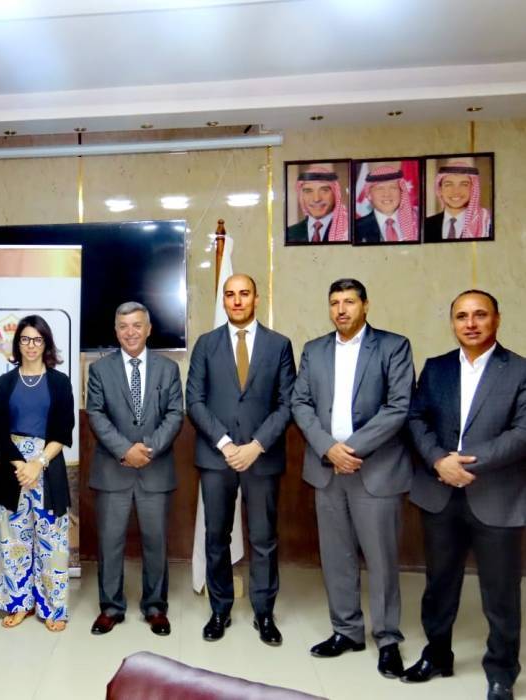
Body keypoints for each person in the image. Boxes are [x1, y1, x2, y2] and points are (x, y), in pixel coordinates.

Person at [402, 290, 525, 700]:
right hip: (440, 493)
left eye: (480, 315)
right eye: (461, 316)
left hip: (497, 497)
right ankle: (437, 654)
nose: (470, 323)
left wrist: (466, 463)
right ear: (452, 322)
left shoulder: (520, 370)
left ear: (497, 319)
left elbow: (522, 432)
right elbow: (416, 418)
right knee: (439, 584)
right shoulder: (436, 368)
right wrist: (439, 461)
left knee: (500, 592)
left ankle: (501, 673)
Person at [291, 278, 414, 679]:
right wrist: (329, 448)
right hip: (327, 469)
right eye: (334, 303)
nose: (341, 309)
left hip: (374, 470)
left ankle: (388, 638)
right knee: (336, 557)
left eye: (349, 302)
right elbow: (300, 402)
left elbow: (398, 407)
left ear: (365, 305)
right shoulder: (314, 350)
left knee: (381, 560)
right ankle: (346, 631)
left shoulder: (393, 347)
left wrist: (351, 450)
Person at [186, 274, 295, 645]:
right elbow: (194, 401)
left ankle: (264, 613)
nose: (236, 301)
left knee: (263, 538)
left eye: (244, 294)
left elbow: (287, 403)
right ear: (224, 300)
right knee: (216, 536)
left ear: (256, 298)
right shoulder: (206, 344)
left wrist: (256, 445)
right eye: (230, 294)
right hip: (217, 457)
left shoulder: (279, 345)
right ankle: (220, 610)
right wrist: (225, 444)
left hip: (261, 457)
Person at [86, 301, 183, 637]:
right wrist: (125, 450)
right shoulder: (99, 370)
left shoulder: (168, 369)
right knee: (110, 543)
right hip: (113, 470)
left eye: (137, 325)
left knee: (156, 543)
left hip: (155, 470)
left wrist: (148, 449)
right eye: (124, 326)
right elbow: (96, 414)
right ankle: (110, 608)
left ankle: (155, 607)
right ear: (116, 331)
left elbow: (175, 414)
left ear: (148, 329)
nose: (131, 332)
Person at [0, 315, 75, 632]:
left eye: (37, 339)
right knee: (13, 540)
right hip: (12, 468)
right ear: (18, 344)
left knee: (53, 539)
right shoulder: (5, 383)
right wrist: (21, 466)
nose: (31, 345)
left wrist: (38, 462)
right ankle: (18, 603)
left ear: (46, 344)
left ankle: (53, 607)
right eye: (25, 339)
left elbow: (64, 430)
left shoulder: (60, 382)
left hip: (48, 466)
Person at [424, 161, 492, 242]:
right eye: (448, 184)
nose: (456, 191)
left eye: (464, 184)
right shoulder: (425, 225)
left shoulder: (487, 224)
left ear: (472, 189)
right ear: (440, 190)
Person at [286, 165, 350, 243]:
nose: (316, 199)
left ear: (335, 194)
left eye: (324, 190)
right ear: (301, 196)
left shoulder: (349, 230)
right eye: (308, 191)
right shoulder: (289, 233)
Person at [354, 165, 419, 243]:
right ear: (369, 194)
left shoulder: (417, 223)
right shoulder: (356, 229)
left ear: (401, 192)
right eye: (380, 188)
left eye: (393, 187)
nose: (387, 194)